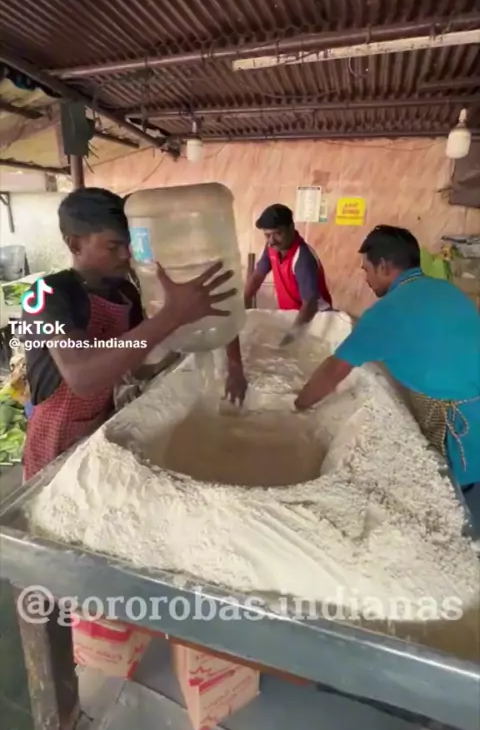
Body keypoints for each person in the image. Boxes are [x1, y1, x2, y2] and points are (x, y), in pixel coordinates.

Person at [21, 187, 247, 482]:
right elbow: (82, 376)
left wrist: (181, 339)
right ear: (75, 243)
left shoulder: (125, 292)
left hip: (98, 424)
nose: (126, 254)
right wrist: (171, 316)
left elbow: (136, 352)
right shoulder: (45, 295)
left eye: (128, 244)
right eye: (113, 246)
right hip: (53, 437)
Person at [295, 225, 480, 511]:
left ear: (383, 266)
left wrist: (298, 405)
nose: (367, 279)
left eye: (367, 270)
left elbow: (334, 370)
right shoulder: (446, 290)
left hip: (463, 434)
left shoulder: (386, 312)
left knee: (459, 507)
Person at [244, 203, 332, 345]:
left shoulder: (303, 258)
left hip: (315, 319)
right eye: (267, 235)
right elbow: (256, 278)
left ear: (291, 228)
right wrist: (239, 307)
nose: (272, 241)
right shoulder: (272, 248)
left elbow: (310, 305)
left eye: (278, 233)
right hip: (293, 315)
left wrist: (289, 340)